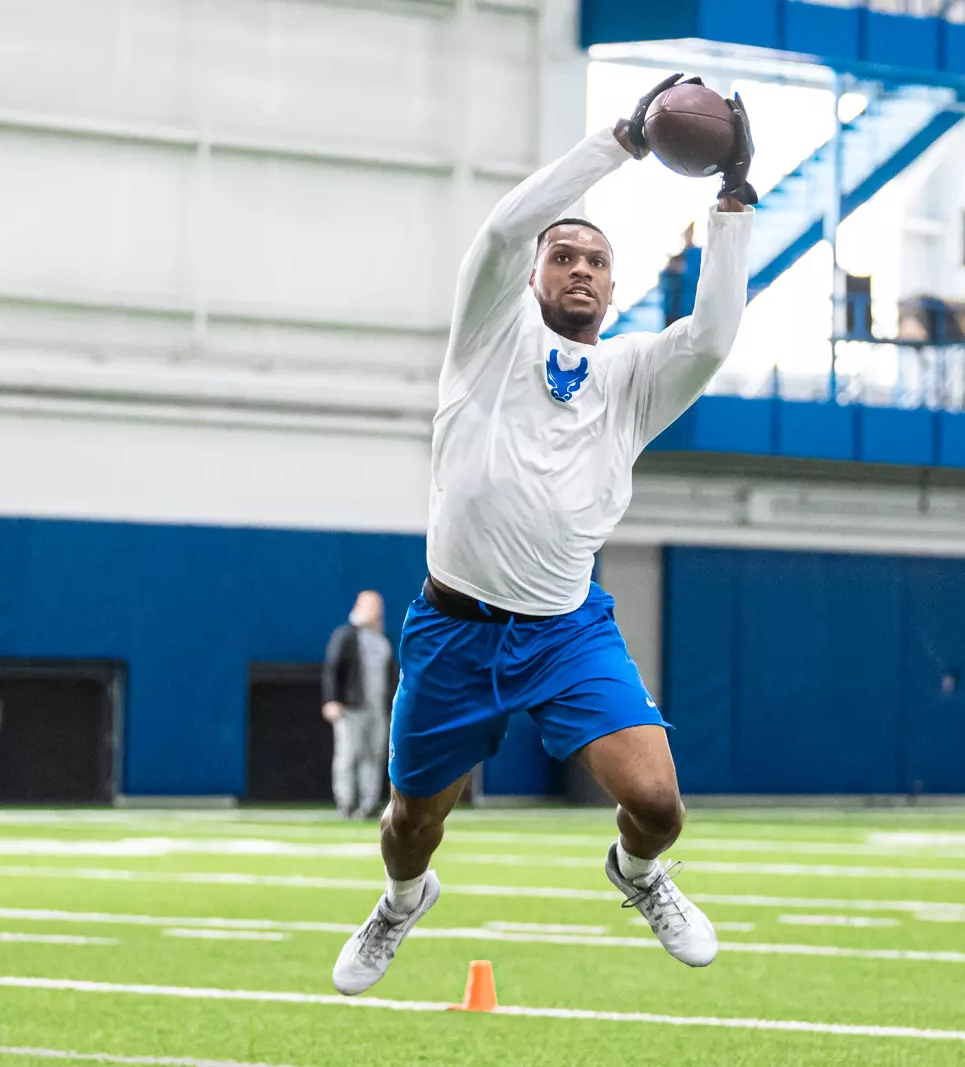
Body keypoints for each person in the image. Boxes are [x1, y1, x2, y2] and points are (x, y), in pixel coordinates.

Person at [332, 74, 756, 996]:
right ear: (533, 275)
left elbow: (715, 335)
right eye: (563, 254)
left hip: (566, 632)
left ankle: (638, 875)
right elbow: (499, 230)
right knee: (410, 820)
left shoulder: (633, 378)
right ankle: (403, 899)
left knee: (658, 803)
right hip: (453, 629)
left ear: (613, 288)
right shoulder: (489, 334)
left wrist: (733, 202)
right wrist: (621, 142)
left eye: (597, 262)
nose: (580, 268)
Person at [321, 590, 396, 820]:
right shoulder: (345, 636)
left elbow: (390, 676)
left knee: (374, 755)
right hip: (352, 707)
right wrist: (331, 699)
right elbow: (332, 669)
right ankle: (346, 801)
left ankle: (369, 802)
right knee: (348, 755)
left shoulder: (382, 642)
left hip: (377, 709)